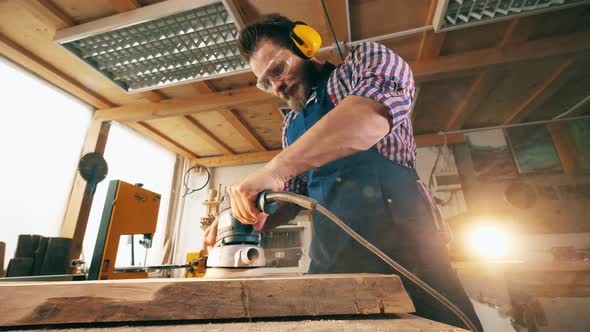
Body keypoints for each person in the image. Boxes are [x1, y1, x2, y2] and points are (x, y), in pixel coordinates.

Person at [204, 14, 483, 331]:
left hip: (408, 256)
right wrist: (240, 218)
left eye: (278, 69)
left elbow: (369, 116)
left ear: (304, 44)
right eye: (265, 82)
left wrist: (275, 169)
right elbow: (293, 195)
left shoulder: (363, 64)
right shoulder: (290, 126)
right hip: (332, 263)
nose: (277, 85)